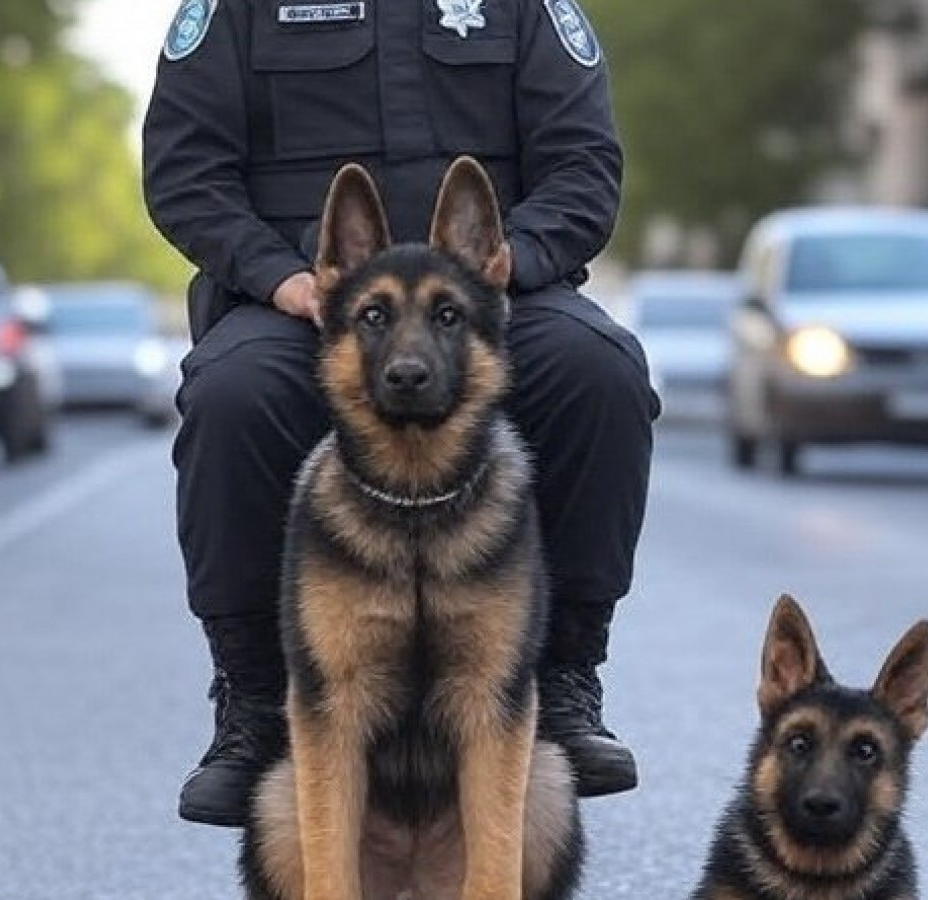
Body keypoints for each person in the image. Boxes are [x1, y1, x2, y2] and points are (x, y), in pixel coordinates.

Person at [143, 0, 657, 828]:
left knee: (601, 373)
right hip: (301, 306)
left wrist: (501, 266)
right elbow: (185, 171)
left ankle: (563, 680)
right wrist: (285, 278)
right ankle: (253, 704)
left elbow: (584, 165)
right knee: (229, 395)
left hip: (490, 298)